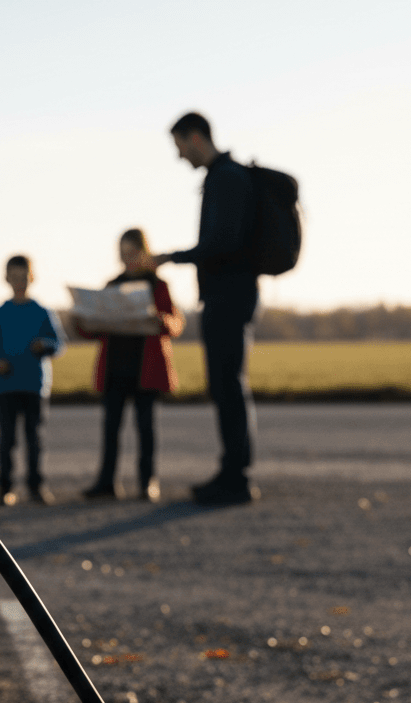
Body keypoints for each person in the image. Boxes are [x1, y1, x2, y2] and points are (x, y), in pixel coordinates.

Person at [153, 111, 258, 507]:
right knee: (227, 384)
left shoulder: (226, 178)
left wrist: (171, 256)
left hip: (228, 296)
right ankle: (233, 471)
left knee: (228, 384)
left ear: (195, 137)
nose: (180, 156)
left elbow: (222, 243)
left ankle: (236, 476)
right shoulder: (225, 177)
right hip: (229, 294)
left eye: (179, 146)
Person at [77, 228, 182, 502]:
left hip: (145, 369)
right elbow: (96, 330)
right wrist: (80, 321)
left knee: (146, 428)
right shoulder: (112, 285)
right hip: (115, 368)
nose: (128, 260)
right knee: (110, 429)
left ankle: (148, 482)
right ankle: (106, 483)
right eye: (123, 254)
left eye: (133, 253)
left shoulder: (158, 286)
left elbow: (175, 322)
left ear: (144, 253)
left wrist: (160, 320)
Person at [0, 255, 67, 506]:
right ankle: (4, 488)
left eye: (23, 277)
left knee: (34, 440)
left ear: (32, 278)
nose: (19, 282)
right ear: (6, 278)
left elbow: (59, 343)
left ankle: (36, 486)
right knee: (6, 440)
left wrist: (46, 345)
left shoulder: (42, 312)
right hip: (7, 385)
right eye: (14, 277)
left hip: (35, 386)